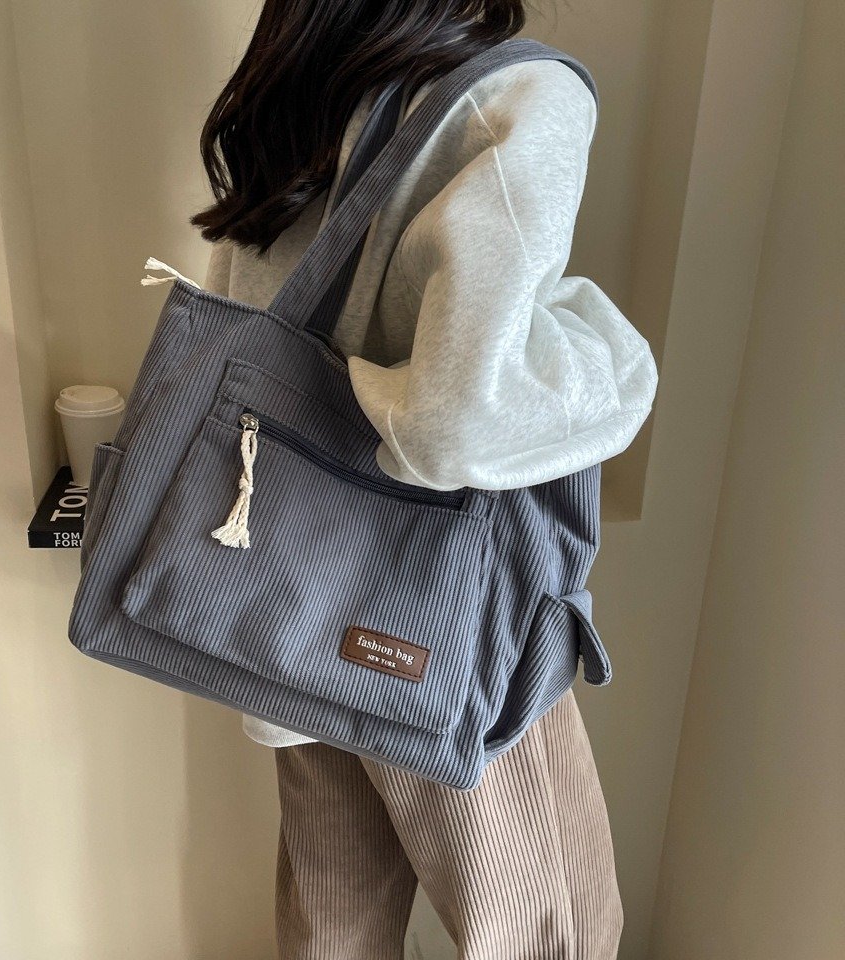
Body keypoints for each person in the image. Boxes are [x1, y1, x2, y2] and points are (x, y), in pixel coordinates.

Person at [190, 2, 655, 957]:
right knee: (555, 934)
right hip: (435, 628)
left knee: (334, 932)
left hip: (284, 608)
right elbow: (455, 422)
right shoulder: (516, 95)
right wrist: (618, 356)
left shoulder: (295, 88)